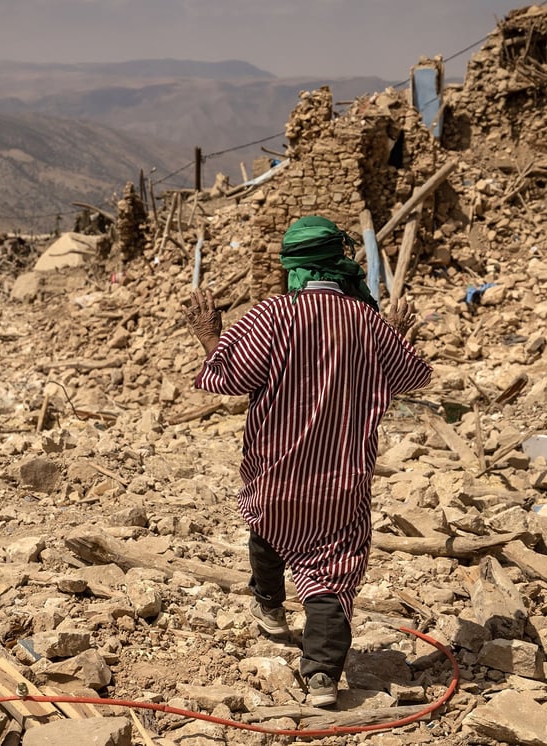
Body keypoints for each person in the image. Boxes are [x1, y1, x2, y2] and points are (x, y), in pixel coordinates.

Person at [182, 215, 432, 708]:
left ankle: (269, 609)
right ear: (338, 262)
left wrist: (209, 335)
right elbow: (410, 378)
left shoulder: (270, 315)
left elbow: (227, 378)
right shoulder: (366, 322)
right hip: (342, 478)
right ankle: (321, 677)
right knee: (333, 569)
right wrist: (395, 334)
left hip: (274, 471)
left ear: (291, 266)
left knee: (271, 527)